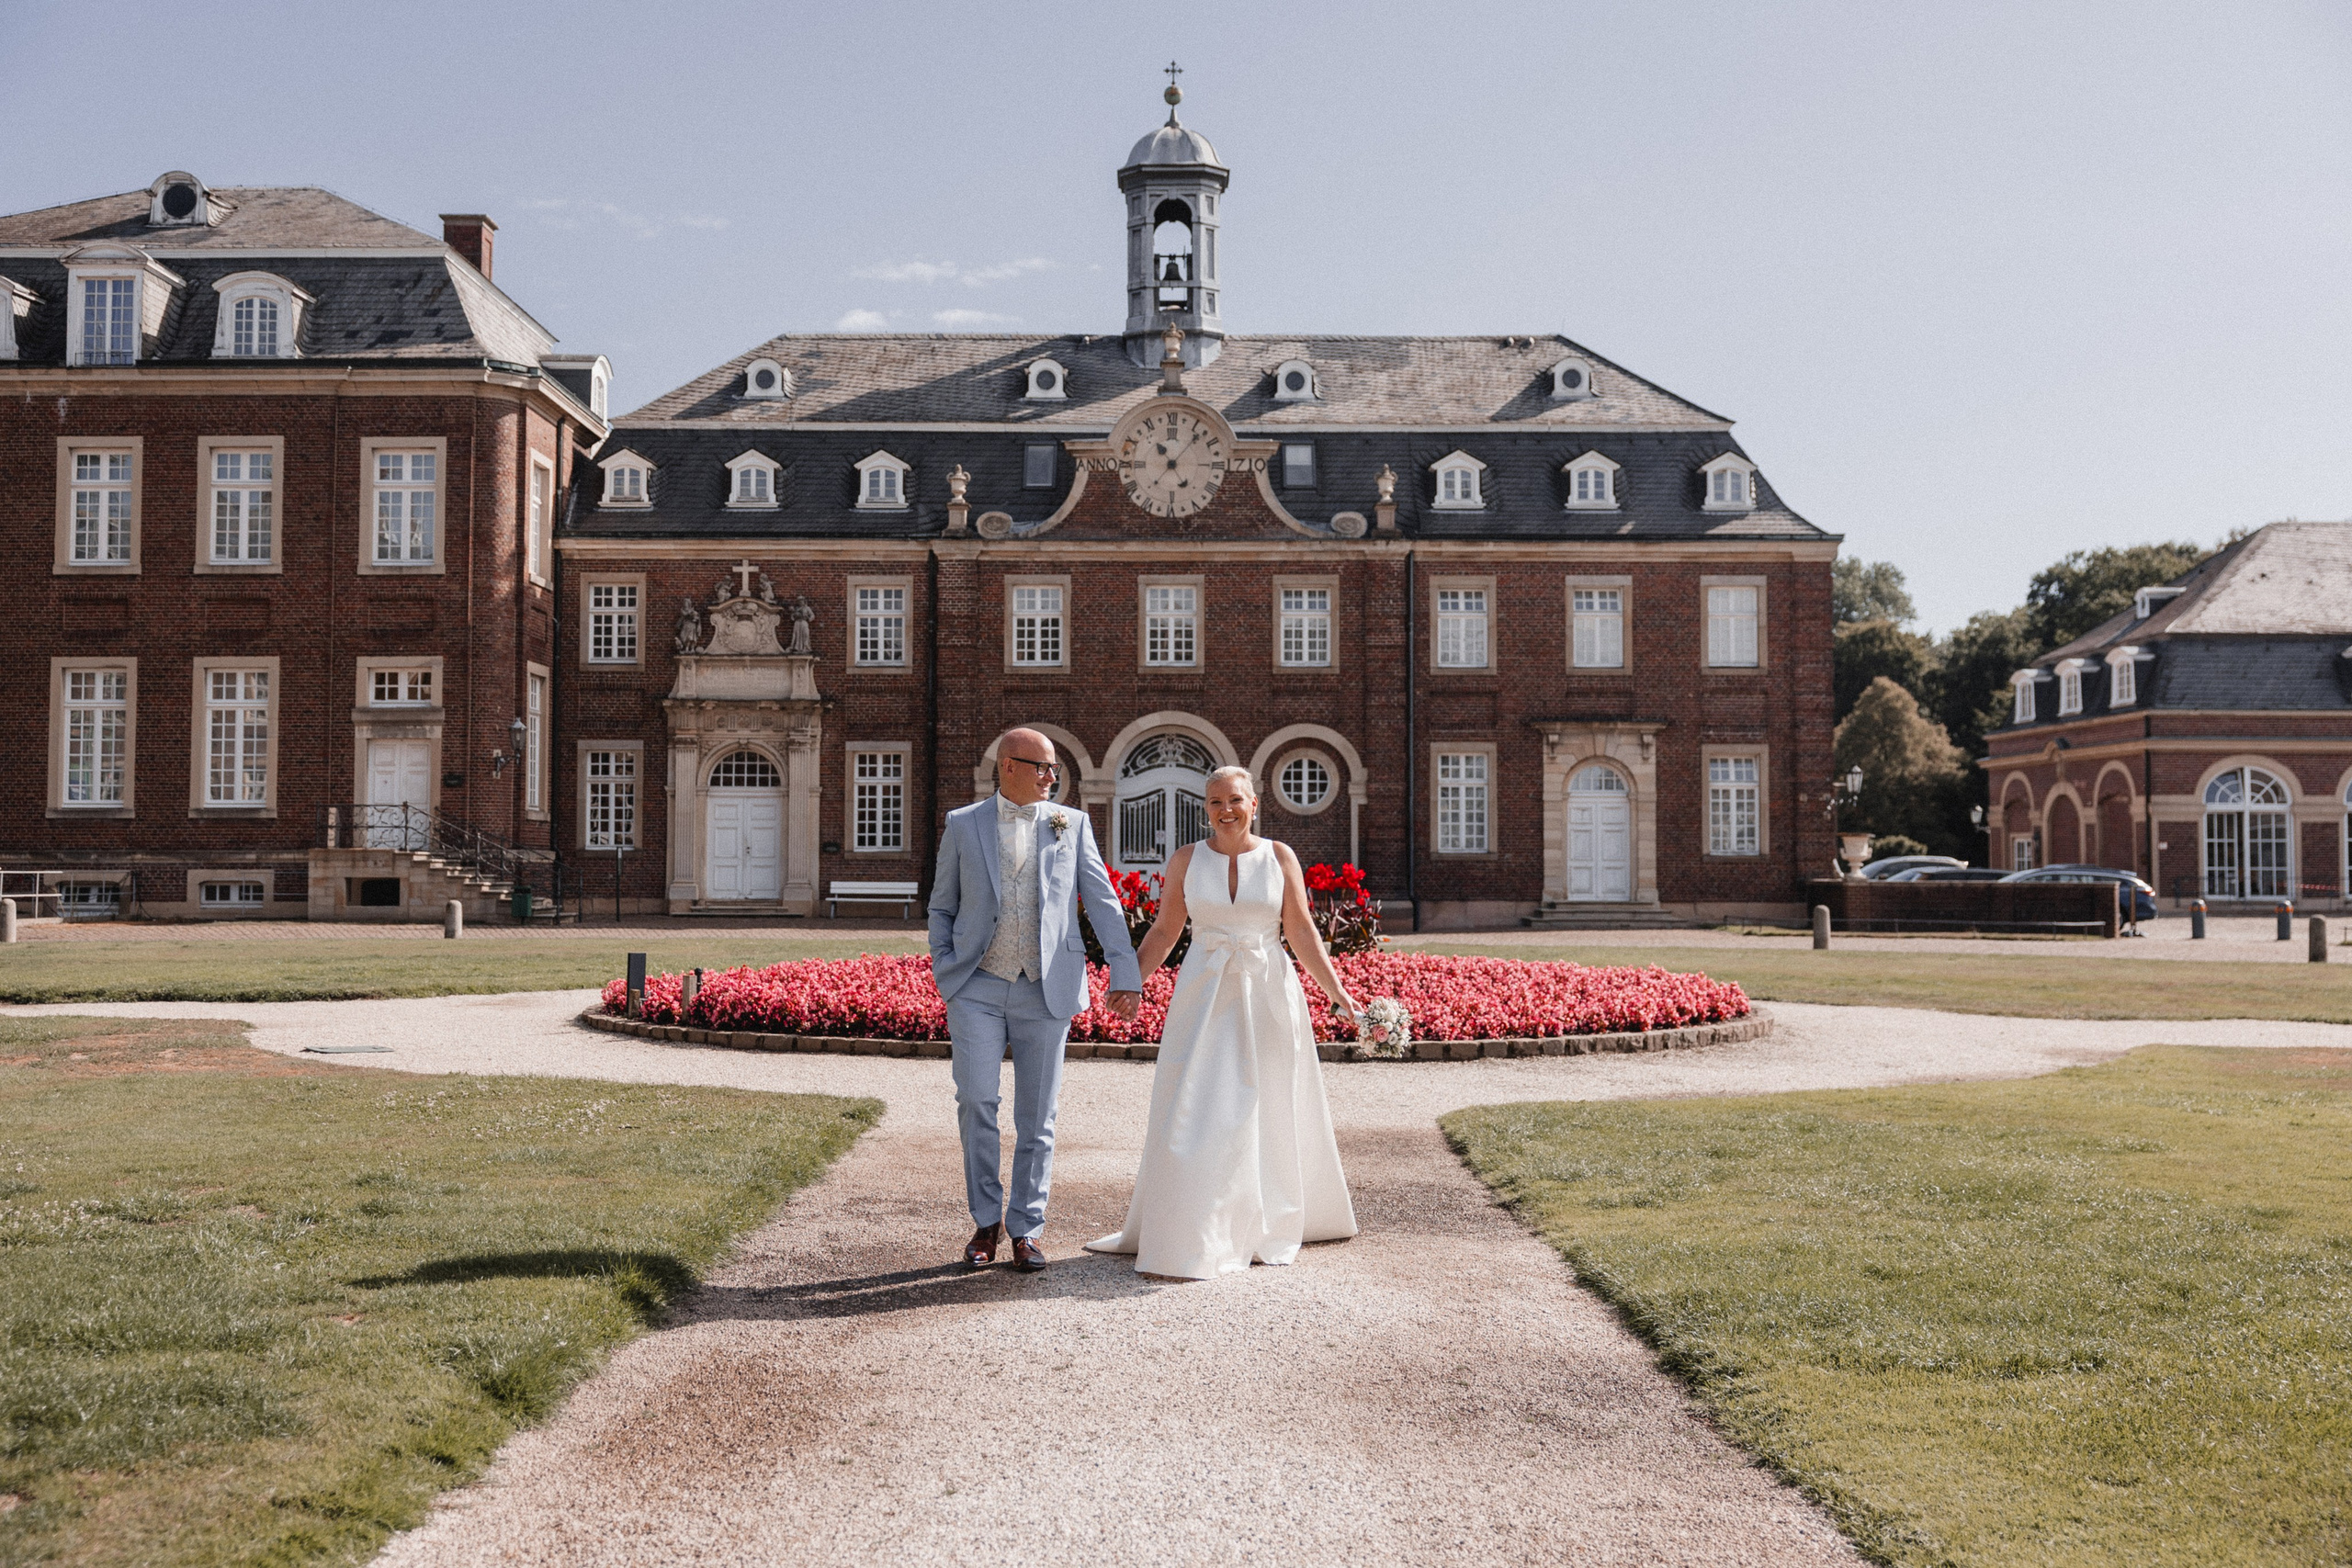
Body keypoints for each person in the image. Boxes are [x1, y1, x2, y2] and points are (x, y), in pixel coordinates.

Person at [1087, 764, 1361, 1280]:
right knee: (1198, 1102)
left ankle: (1265, 1218)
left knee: (1270, 1100)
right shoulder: (1187, 860)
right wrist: (1130, 981)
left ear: (1254, 803)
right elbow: (1166, 930)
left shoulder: (1280, 857)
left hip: (1267, 992)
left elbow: (1300, 929)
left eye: (1234, 800)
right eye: (1215, 802)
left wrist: (1337, 992)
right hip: (1204, 993)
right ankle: (1198, 1221)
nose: (1225, 810)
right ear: (1205, 808)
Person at [928, 728, 1141, 1273]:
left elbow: (1101, 898)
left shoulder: (1071, 824)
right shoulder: (962, 824)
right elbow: (942, 905)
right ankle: (984, 1223)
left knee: (1037, 1118)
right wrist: (945, 965)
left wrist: (1125, 969)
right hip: (976, 984)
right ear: (1008, 767)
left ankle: (1026, 1228)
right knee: (976, 1101)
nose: (1052, 777)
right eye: (1042, 767)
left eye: (1054, 769)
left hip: (1048, 985)